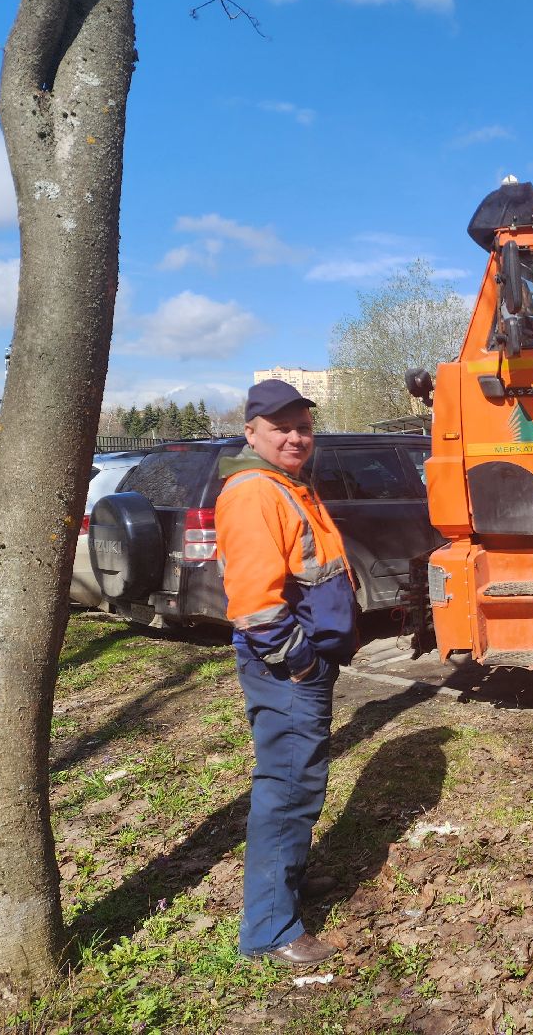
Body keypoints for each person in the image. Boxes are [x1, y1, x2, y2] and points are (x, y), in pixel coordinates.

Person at [216, 379, 359, 966]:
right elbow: (256, 605)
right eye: (282, 428)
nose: (296, 437)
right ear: (251, 433)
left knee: (301, 782)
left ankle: (287, 885)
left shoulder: (287, 483)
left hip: (302, 664)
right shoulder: (255, 491)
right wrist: (300, 662)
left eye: (304, 427)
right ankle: (271, 929)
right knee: (288, 790)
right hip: (286, 670)